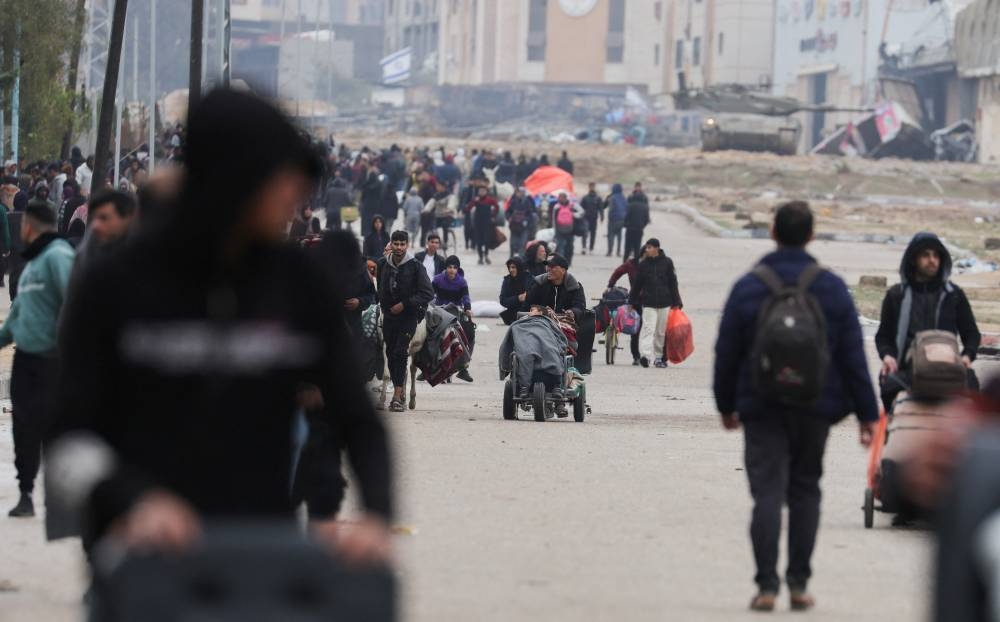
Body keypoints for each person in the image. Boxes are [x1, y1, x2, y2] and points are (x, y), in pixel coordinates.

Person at [49, 89, 394, 563]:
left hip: (260, 552)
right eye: (280, 182)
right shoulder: (116, 283)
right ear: (232, 178)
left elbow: (359, 420)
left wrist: (378, 513)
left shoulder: (299, 282)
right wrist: (132, 500)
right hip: (142, 556)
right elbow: (68, 436)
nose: (294, 200)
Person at [713, 201, 878, 612]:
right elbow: (853, 356)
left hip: (761, 403)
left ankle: (767, 586)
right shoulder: (831, 287)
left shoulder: (749, 285)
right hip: (815, 405)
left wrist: (726, 405)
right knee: (805, 491)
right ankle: (799, 584)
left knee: (767, 494)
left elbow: (727, 351)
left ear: (772, 232)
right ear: (810, 235)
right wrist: (867, 414)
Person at [4, 202, 75, 517]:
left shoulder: (58, 256)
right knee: (23, 427)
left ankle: (64, 500)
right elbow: (14, 321)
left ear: (28, 227)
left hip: (52, 360)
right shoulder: (32, 266)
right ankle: (26, 493)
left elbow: (74, 302)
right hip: (26, 360)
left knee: (54, 430)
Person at [874, 232, 981, 412]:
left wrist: (967, 356)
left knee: (973, 388)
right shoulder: (896, 295)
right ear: (913, 259)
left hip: (948, 369)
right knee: (888, 383)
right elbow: (883, 336)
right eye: (925, 255)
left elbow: (971, 334)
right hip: (908, 369)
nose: (932, 260)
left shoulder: (953, 295)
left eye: (936, 255)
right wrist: (888, 356)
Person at [377, 230, 434, 412]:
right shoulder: (382, 265)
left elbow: (427, 293)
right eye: (396, 244)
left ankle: (397, 395)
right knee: (391, 354)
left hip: (408, 317)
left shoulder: (416, 266)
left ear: (407, 245)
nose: (399, 247)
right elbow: (380, 289)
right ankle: (399, 392)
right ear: (391, 244)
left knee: (401, 352)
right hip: (389, 318)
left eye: (402, 244)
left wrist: (405, 304)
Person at [628, 239, 683, 368]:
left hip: (665, 302)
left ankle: (659, 358)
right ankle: (646, 356)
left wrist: (677, 301)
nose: (646, 250)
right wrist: (631, 301)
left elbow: (673, 283)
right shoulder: (643, 265)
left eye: (649, 248)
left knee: (660, 332)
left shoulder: (667, 263)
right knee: (648, 329)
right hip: (648, 303)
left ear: (657, 248)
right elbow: (637, 285)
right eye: (646, 247)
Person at [432, 255, 474, 383]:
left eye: (455, 268)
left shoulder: (462, 282)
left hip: (456, 313)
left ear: (458, 269)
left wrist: (468, 308)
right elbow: (429, 294)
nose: (452, 270)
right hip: (439, 312)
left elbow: (466, 297)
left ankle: (463, 368)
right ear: (446, 268)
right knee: (428, 335)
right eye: (449, 267)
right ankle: (428, 367)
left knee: (470, 334)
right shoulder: (437, 280)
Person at [525, 254, 587, 324]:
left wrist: (572, 312)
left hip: (564, 323)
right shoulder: (539, 283)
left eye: (552, 266)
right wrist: (536, 309)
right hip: (541, 323)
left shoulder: (574, 286)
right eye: (547, 266)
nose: (548, 269)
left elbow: (580, 307)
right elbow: (528, 303)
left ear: (563, 270)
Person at [607, 256, 641, 365]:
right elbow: (618, 271)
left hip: (652, 299)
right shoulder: (631, 264)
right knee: (635, 329)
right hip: (635, 299)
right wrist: (610, 285)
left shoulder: (655, 263)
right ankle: (636, 356)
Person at [469, 185, 499, 266]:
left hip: (487, 223)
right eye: (480, 191)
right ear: (478, 192)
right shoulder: (476, 199)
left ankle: (486, 255)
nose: (482, 192)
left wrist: (493, 215)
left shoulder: (490, 200)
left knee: (486, 241)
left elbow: (497, 207)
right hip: (478, 223)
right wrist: (474, 202)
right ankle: (480, 257)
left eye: (483, 191)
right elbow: (468, 208)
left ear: (486, 192)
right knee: (478, 241)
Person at [552, 192, 584, 266]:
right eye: (559, 198)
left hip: (569, 230)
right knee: (561, 246)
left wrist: (573, 215)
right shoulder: (557, 207)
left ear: (566, 198)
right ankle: (562, 263)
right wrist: (554, 230)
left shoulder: (572, 205)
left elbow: (582, 212)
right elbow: (554, 219)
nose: (560, 199)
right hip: (561, 230)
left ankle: (568, 262)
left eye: (561, 197)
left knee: (569, 246)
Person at [500, 256, 534, 325]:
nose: (511, 270)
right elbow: (503, 300)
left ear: (519, 267)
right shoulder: (507, 280)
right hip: (512, 315)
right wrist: (518, 298)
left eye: (513, 267)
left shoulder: (530, 279)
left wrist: (527, 297)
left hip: (529, 315)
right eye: (509, 267)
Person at [506, 186, 535, 259]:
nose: (520, 194)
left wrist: (527, 221)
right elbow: (508, 212)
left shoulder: (528, 202)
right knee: (513, 243)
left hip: (524, 227)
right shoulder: (513, 202)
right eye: (519, 192)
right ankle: (511, 257)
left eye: (522, 192)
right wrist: (509, 218)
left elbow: (531, 214)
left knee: (522, 243)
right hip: (514, 226)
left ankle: (521, 259)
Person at [624, 182, 650, 261]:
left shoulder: (630, 202)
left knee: (628, 247)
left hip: (631, 228)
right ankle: (635, 264)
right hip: (639, 228)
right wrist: (642, 225)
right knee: (637, 246)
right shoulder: (644, 202)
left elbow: (626, 216)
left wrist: (626, 225)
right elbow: (646, 218)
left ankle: (625, 263)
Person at [358, 161, 383, 236]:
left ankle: (366, 232)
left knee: (366, 219)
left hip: (366, 204)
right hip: (375, 204)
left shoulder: (366, 185)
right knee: (374, 219)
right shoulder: (378, 184)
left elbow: (363, 195)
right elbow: (380, 195)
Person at [580, 182, 603, 255]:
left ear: (594, 187)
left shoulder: (598, 198)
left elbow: (600, 208)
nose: (592, 188)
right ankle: (584, 247)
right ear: (589, 187)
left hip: (594, 218)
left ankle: (591, 248)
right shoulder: (585, 197)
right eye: (591, 187)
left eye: (593, 187)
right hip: (586, 218)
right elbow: (581, 208)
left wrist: (602, 216)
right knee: (585, 233)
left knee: (593, 234)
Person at [605, 183, 627, 257]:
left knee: (610, 235)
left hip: (613, 220)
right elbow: (626, 208)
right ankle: (618, 251)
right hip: (621, 220)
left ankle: (610, 251)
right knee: (619, 236)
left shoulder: (612, 197)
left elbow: (611, 209)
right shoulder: (623, 198)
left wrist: (610, 217)